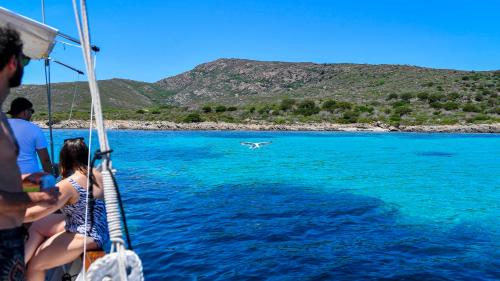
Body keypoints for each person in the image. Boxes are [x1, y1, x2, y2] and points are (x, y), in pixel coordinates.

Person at [0, 26, 59, 281]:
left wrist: (29, 185)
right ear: (13, 62)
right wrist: (35, 199)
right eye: (24, 59)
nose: (24, 65)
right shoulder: (26, 128)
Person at [24, 138, 109, 281]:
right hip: (98, 227)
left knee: (36, 265)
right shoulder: (100, 175)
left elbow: (34, 214)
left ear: (64, 160)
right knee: (39, 225)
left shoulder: (69, 184)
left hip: (87, 234)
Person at [7, 97, 53, 175]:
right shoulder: (35, 129)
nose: (31, 114)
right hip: (29, 180)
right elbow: (45, 160)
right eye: (31, 111)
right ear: (25, 112)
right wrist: (50, 178)